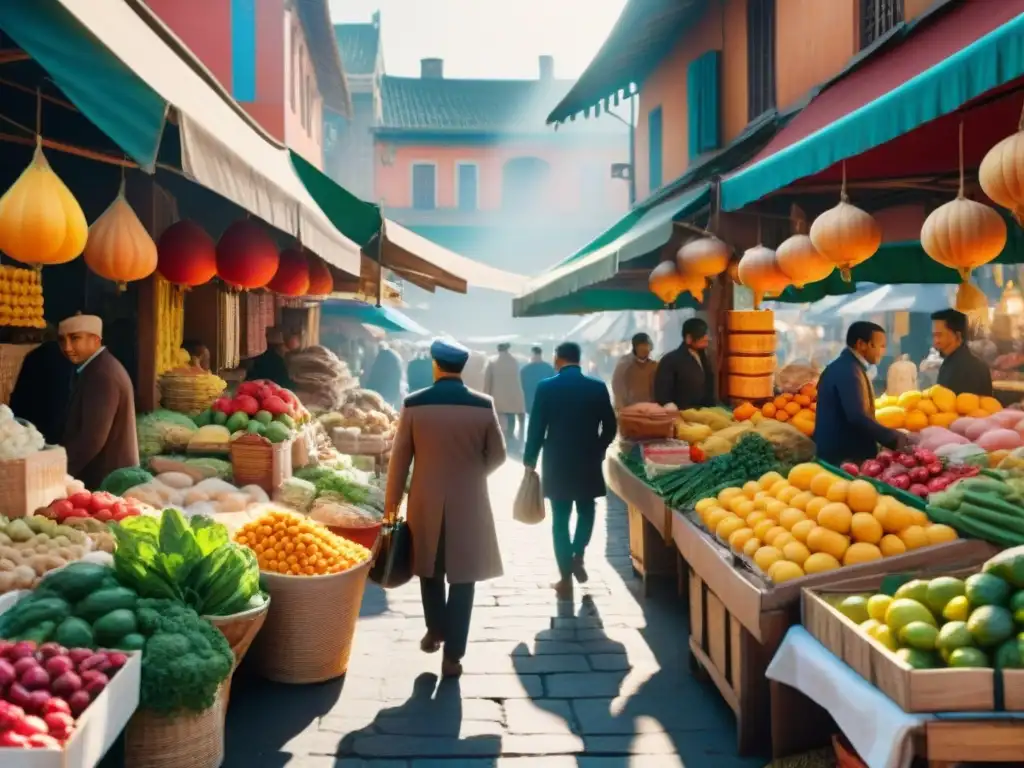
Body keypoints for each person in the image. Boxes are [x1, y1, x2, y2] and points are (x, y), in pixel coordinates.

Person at [384, 338, 506, 678]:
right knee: (464, 579)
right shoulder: (483, 406)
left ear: (436, 365)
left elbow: (400, 462)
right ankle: (453, 655)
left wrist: (392, 505)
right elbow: (498, 454)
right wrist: (472, 473)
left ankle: (436, 629)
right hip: (470, 501)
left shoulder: (414, 403)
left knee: (429, 568)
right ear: (461, 367)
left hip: (425, 500)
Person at [523, 341, 617, 599]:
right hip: (588, 458)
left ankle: (565, 578)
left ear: (557, 359)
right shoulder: (597, 387)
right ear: (579, 359)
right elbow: (610, 426)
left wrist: (530, 457)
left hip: (557, 461)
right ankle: (578, 553)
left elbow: (536, 427)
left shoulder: (546, 387)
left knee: (560, 518)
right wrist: (599, 448)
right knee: (587, 509)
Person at [59, 314, 139, 490]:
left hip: (107, 479)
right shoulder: (97, 367)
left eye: (75, 339)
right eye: (62, 340)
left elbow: (92, 439)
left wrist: (60, 473)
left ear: (96, 340)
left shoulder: (101, 374)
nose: (67, 347)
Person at [814, 321, 910, 465]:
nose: (883, 351)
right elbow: (857, 417)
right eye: (880, 346)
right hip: (843, 458)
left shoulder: (847, 366)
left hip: (840, 455)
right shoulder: (848, 370)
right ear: (861, 344)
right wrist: (894, 439)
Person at [9, 325, 74, 446]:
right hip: (59, 430)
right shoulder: (69, 359)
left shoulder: (33, 356)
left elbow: (19, 397)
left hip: (31, 429)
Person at [653, 317, 716, 409]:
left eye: (706, 334)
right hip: (683, 414)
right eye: (702, 335)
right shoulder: (670, 359)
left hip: (706, 412)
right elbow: (663, 394)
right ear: (689, 338)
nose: (706, 338)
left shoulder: (705, 357)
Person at [931, 309, 993, 397]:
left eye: (939, 335)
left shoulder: (966, 368)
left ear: (958, 336)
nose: (935, 341)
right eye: (934, 335)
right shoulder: (951, 363)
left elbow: (958, 407)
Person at [484, 342, 526, 444]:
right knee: (511, 415)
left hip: (497, 394)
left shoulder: (492, 361)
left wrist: (486, 394)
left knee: (498, 416)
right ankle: (510, 436)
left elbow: (487, 380)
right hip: (513, 395)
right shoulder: (514, 361)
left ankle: (500, 437)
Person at [611, 332, 658, 410]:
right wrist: (621, 410)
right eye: (642, 346)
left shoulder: (654, 366)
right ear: (635, 347)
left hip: (650, 410)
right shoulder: (624, 364)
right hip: (629, 410)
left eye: (647, 346)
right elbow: (618, 389)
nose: (645, 349)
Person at [364, 341, 403, 407]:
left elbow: (375, 375)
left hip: (382, 393)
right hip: (392, 393)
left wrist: (368, 390)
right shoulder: (395, 356)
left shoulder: (383, 356)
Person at [519, 345, 555, 417]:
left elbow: (520, 386)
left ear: (532, 355)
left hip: (531, 402)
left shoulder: (525, 370)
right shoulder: (548, 368)